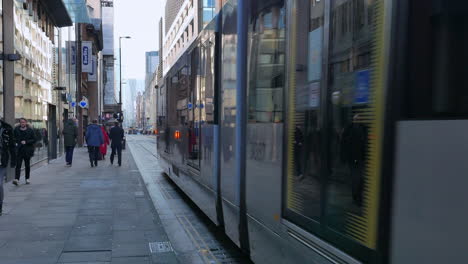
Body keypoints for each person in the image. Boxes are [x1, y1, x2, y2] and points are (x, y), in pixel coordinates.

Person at [13, 118, 36, 185]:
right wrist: (16, 143)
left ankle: (27, 178)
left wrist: (26, 142)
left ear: (26, 123)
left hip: (27, 150)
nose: (22, 123)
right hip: (19, 150)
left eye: (23, 122)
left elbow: (34, 139)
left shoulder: (30, 130)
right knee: (18, 165)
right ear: (19, 123)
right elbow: (13, 138)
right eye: (21, 122)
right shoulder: (16, 130)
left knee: (27, 165)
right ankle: (17, 179)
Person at [0, 119, 15, 215]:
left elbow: (12, 145)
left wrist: (13, 159)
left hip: (2, 161)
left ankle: (0, 206)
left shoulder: (7, 129)